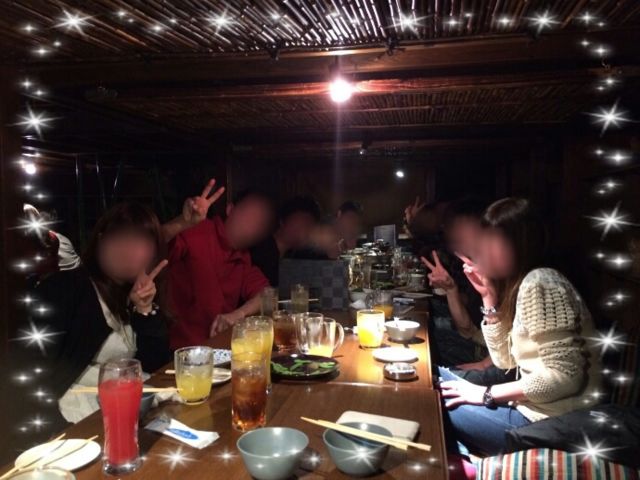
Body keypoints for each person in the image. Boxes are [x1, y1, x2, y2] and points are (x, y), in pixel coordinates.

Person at [438, 197, 601, 456]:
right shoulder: (520, 284)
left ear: (521, 243)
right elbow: (505, 361)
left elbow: (566, 378)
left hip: (551, 425)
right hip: (533, 412)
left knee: (430, 393)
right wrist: (488, 297)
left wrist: (486, 394)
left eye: (495, 240)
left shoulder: (542, 281)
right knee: (427, 380)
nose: (483, 249)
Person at [7, 202, 171, 432]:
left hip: (125, 412)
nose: (128, 249)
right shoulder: (65, 289)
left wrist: (144, 309)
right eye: (119, 238)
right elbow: (26, 375)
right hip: (72, 421)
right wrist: (59, 435)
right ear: (100, 241)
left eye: (141, 241)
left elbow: (157, 365)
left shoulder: (131, 295)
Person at [163, 180, 274, 348]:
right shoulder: (198, 230)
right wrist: (182, 222)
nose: (251, 226)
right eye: (249, 215)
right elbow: (151, 248)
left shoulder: (243, 258)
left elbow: (268, 295)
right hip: (178, 352)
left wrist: (238, 314)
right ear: (230, 209)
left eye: (260, 224)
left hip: (217, 352)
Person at [421, 198, 512, 386]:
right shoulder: (477, 269)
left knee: (428, 379)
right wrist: (450, 289)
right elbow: (468, 330)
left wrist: (483, 366)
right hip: (486, 352)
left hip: (507, 370)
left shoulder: (519, 278)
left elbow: (509, 358)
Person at [251, 195, 321, 285]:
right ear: (282, 222)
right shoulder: (260, 250)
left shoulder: (296, 255)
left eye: (308, 227)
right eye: (299, 224)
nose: (303, 232)